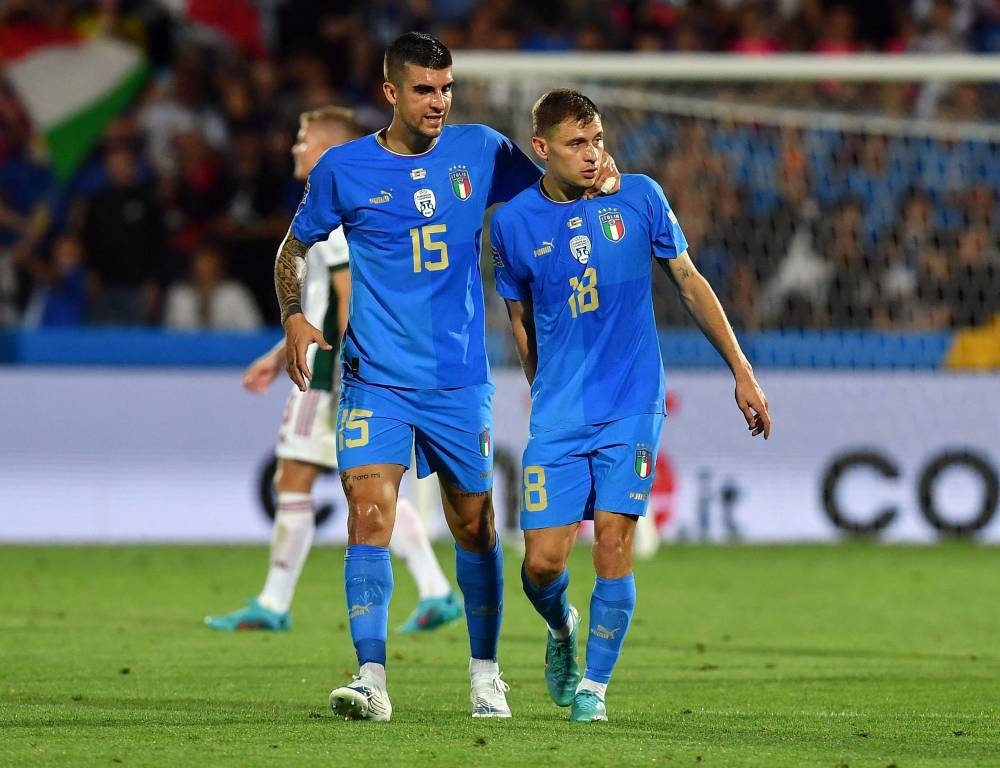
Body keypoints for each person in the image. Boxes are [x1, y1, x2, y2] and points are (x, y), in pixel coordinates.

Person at [273, 33, 619, 722]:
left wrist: (599, 182)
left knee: (476, 529)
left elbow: (552, 194)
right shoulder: (344, 170)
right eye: (425, 90)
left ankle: (486, 675)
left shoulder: (482, 150)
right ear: (392, 93)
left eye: (447, 88)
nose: (439, 102)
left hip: (459, 381)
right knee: (368, 516)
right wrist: (292, 316)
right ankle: (371, 678)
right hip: (375, 380)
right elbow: (293, 245)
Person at [490, 89, 771, 723]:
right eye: (574, 145)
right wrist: (539, 382)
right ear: (542, 150)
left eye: (596, 141)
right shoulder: (511, 224)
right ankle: (562, 626)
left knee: (614, 545)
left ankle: (595, 687)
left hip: (632, 402)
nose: (591, 156)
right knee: (541, 564)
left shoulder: (639, 197)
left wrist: (741, 370)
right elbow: (519, 318)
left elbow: (690, 283)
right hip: (560, 410)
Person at [206, 106, 462, 635]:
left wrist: (354, 372)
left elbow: (348, 298)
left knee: (301, 478)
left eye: (303, 138)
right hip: (331, 369)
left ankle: (274, 603)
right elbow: (321, 303)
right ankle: (436, 590)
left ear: (325, 147)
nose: (295, 148)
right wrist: (277, 356)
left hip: (331, 380)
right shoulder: (341, 201)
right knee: (363, 485)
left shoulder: (340, 210)